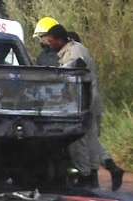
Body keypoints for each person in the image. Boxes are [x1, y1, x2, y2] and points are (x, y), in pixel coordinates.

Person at [43, 24, 104, 189]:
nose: (48, 44)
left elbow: (66, 75)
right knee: (91, 140)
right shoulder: (78, 48)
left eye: (51, 41)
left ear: (60, 40)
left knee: (79, 142)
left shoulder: (73, 53)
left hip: (82, 102)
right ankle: (92, 178)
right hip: (90, 100)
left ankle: (85, 178)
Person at [67, 31, 124, 191]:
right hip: (93, 103)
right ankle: (105, 170)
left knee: (84, 141)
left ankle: (90, 177)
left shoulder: (75, 53)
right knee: (92, 140)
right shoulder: (84, 52)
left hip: (86, 104)